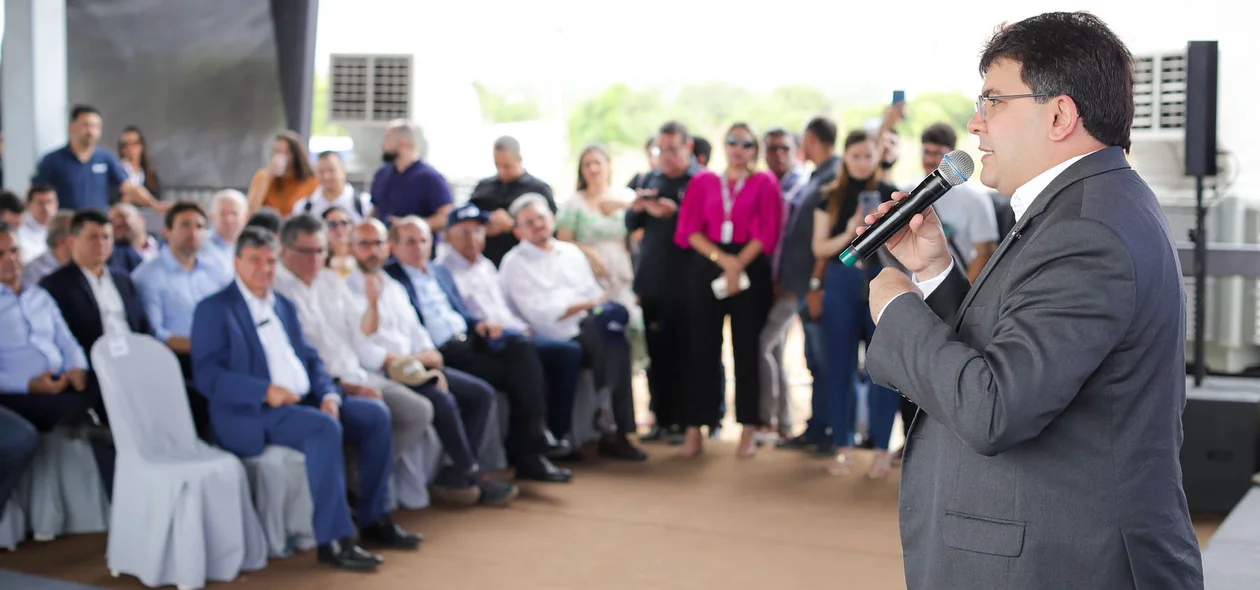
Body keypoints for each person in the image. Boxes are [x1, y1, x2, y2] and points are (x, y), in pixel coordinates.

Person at [861, 12, 1203, 588]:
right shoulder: (1083, 206)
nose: (975, 123)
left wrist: (898, 310)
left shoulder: (1087, 227)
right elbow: (1015, 352)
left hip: (1061, 563)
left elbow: (995, 408)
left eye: (992, 101)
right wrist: (935, 273)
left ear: (1060, 114)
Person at [192, 227, 421, 571]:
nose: (264, 269)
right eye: (255, 261)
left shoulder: (282, 302)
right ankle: (335, 540)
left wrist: (329, 393)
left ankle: (375, 517)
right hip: (252, 412)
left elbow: (310, 357)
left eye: (270, 262)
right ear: (237, 261)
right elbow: (207, 375)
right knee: (322, 428)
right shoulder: (215, 308)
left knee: (375, 416)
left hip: (303, 400)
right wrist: (263, 391)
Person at [673, 122, 783, 458]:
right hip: (710, 262)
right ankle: (696, 425)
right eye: (733, 142)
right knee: (702, 347)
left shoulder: (764, 181)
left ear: (755, 149)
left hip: (750, 264)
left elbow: (768, 233)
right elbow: (689, 230)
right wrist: (724, 261)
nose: (738, 148)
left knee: (746, 349)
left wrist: (738, 264)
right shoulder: (704, 180)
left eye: (746, 143)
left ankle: (749, 427)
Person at [811, 130, 899, 478]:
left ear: (879, 155)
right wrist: (848, 231)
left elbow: (899, 249)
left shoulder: (890, 194)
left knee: (884, 370)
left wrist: (880, 230)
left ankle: (880, 449)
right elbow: (819, 248)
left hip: (881, 278)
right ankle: (843, 445)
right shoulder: (830, 196)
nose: (863, 162)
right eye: (856, 155)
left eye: (868, 155)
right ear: (845, 157)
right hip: (841, 279)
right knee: (839, 366)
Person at [468, 136, 556, 266]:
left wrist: (513, 226)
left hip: (529, 262)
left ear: (519, 160)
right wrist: (484, 226)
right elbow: (468, 217)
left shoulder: (538, 189)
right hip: (488, 261)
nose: (502, 171)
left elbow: (551, 229)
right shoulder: (483, 187)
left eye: (507, 166)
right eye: (498, 165)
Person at [245, 131, 319, 217]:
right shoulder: (263, 176)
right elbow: (252, 210)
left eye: (285, 152)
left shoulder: (311, 180)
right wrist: (268, 176)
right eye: (277, 151)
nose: (279, 156)